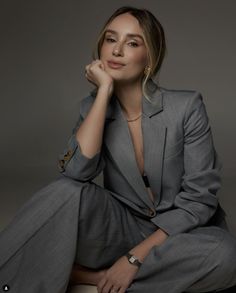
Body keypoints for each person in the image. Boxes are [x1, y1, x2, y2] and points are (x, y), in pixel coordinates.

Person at [0, 5, 236, 293]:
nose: (117, 50)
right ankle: (95, 278)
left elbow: (199, 200)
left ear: (150, 57)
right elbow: (76, 173)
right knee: (65, 191)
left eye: (133, 43)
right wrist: (102, 94)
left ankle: (89, 275)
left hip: (180, 234)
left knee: (225, 256)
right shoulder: (93, 108)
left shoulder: (186, 107)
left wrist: (135, 259)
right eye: (111, 39)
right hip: (120, 228)